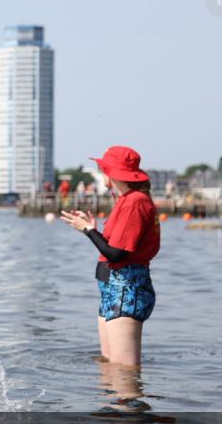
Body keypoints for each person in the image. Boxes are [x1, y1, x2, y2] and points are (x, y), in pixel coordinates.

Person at [60, 146, 160, 367]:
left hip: (126, 290)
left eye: (103, 168)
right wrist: (94, 229)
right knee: (108, 366)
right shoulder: (127, 200)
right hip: (113, 290)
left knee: (124, 373)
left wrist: (88, 230)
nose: (101, 172)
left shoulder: (135, 201)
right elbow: (116, 246)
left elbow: (115, 253)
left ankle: (130, 403)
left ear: (113, 173)